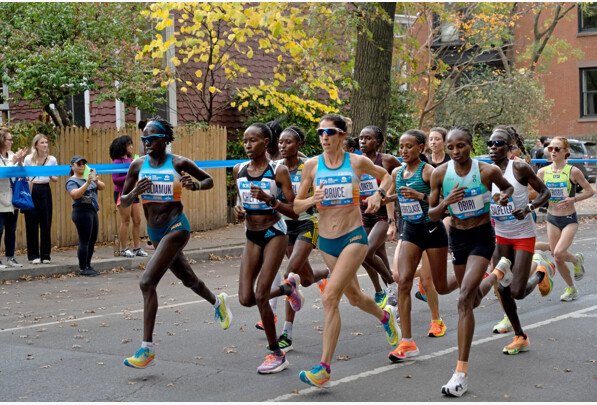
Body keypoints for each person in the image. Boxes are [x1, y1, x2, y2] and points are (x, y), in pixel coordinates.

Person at [294, 113, 400, 388]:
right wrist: (311, 200)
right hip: (327, 242)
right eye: (320, 132)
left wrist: (378, 194)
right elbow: (295, 205)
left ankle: (324, 369)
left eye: (329, 132)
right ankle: (385, 317)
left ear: (342, 135)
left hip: (353, 237)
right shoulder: (311, 166)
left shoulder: (356, 162)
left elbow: (387, 176)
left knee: (330, 297)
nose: (324, 137)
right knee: (354, 298)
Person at [120, 117, 232, 369]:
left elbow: (209, 180)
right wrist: (135, 192)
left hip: (177, 227)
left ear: (165, 140)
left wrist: (195, 185)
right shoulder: (137, 166)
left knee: (147, 282)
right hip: (155, 232)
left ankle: (147, 349)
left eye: (152, 139)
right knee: (189, 280)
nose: (147, 143)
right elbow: (124, 201)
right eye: (144, 139)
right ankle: (218, 302)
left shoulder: (179, 163)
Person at [428, 126, 514, 397]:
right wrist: (445, 203)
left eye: (461, 146)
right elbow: (432, 214)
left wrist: (503, 196)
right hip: (457, 237)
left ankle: (461, 374)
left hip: (481, 236)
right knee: (473, 299)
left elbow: (507, 187)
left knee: (464, 299)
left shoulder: (487, 171)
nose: (456, 152)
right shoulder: (440, 174)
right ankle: (498, 273)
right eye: (451, 147)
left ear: (471, 145)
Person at [233, 122, 302, 374]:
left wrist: (270, 200)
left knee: (261, 295)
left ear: (265, 143)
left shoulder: (278, 171)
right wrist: (238, 209)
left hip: (275, 232)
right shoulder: (238, 169)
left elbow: (294, 212)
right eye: (245, 141)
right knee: (245, 299)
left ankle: (276, 353)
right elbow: (240, 199)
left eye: (253, 140)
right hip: (252, 234)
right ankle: (286, 289)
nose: (248, 145)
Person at [386, 130, 456, 363]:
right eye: (401, 146)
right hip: (411, 230)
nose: (404, 151)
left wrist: (419, 196)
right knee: (403, 281)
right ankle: (407, 342)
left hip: (433, 230)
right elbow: (392, 195)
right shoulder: (397, 172)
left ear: (421, 147)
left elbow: (444, 204)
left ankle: (469, 275)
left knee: (438, 285)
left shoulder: (429, 172)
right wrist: (382, 199)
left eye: (409, 146)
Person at [264, 125, 330, 352]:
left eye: (288, 142)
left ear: (299, 145)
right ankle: (325, 274)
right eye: (281, 142)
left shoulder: (309, 166)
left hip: (306, 223)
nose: (283, 146)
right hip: (284, 226)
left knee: (289, 277)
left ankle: (287, 334)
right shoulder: (276, 168)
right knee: (307, 279)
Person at [487, 128, 553, 354]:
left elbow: (545, 192)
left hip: (523, 234)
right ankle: (520, 336)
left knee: (518, 291)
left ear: (509, 146)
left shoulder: (519, 168)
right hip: (501, 235)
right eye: (490, 143)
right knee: (502, 287)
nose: (493, 147)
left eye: (498, 143)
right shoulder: (486, 171)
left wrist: (529, 208)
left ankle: (541, 271)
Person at [537, 136, 594, 301]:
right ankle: (572, 287)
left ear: (566, 151)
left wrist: (573, 199)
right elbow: (535, 192)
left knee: (559, 252)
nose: (553, 151)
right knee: (557, 256)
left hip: (569, 219)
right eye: (550, 148)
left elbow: (590, 191)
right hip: (552, 218)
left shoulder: (573, 171)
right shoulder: (542, 172)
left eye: (557, 148)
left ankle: (575, 261)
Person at [358, 125, 400, 307]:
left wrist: (390, 197)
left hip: (383, 215)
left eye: (368, 138)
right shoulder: (356, 161)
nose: (363, 141)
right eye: (361, 138)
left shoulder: (387, 160)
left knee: (366, 251)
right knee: (377, 258)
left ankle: (391, 285)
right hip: (364, 214)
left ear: (379, 142)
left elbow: (405, 178)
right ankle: (392, 298)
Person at [65, 155, 105, 276]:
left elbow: (102, 187)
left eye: (83, 163)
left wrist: (95, 180)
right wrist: (87, 183)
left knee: (92, 239)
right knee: (84, 240)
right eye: (78, 164)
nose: (81, 166)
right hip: (81, 211)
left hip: (92, 210)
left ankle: (88, 265)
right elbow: (75, 194)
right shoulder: (72, 181)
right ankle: (83, 268)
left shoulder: (89, 178)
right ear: (72, 166)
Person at [110, 135, 147, 258]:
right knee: (125, 220)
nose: (131, 146)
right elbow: (116, 180)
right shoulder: (116, 162)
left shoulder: (131, 160)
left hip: (133, 192)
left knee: (137, 220)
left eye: (131, 144)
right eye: (128, 144)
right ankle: (124, 249)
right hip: (122, 193)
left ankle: (137, 248)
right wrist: (131, 176)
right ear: (122, 147)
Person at [23, 134, 58, 264]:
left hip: (45, 189)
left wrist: (50, 175)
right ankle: (33, 255)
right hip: (33, 189)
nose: (45, 145)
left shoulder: (52, 159)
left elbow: (55, 178)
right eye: (42, 142)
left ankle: (46, 255)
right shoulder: (28, 159)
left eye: (46, 142)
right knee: (31, 223)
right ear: (36, 145)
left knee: (46, 222)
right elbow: (25, 176)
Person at [0, 126, 28, 268]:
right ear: (1, 140)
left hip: (13, 198)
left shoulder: (11, 154)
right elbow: (3, 173)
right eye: (9, 139)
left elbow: (20, 172)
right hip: (0, 199)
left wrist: (20, 160)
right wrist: (14, 160)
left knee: (11, 230)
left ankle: (10, 257)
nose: (11, 142)